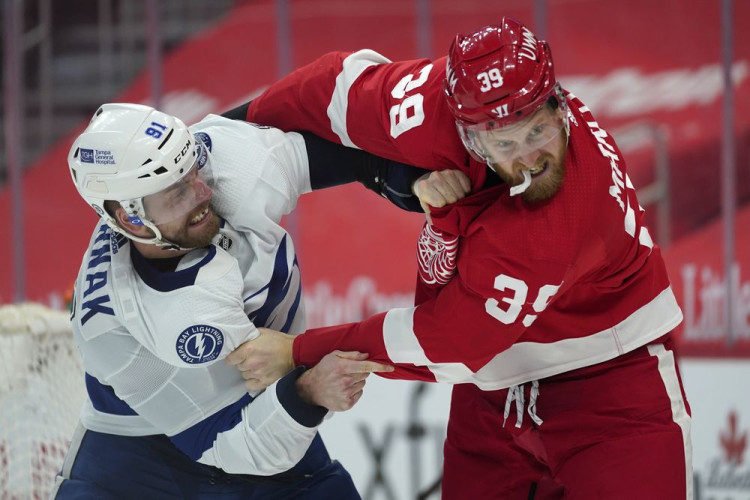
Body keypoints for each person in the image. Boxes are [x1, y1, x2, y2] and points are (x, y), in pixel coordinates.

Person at [229, 17, 693, 499]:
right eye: (505, 144)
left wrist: (297, 350)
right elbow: (334, 90)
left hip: (612, 391)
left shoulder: (562, 221)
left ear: (557, 105)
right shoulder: (436, 105)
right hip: (491, 401)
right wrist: (207, 143)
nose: (530, 159)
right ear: (469, 136)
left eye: (537, 131)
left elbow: (449, 340)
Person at [52, 102, 443, 498]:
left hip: (260, 416)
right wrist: (307, 393)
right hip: (134, 465)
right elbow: (229, 443)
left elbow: (341, 133)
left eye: (192, 171)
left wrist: (410, 177)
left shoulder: (226, 163)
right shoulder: (111, 325)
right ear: (131, 219)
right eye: (176, 192)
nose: (203, 192)